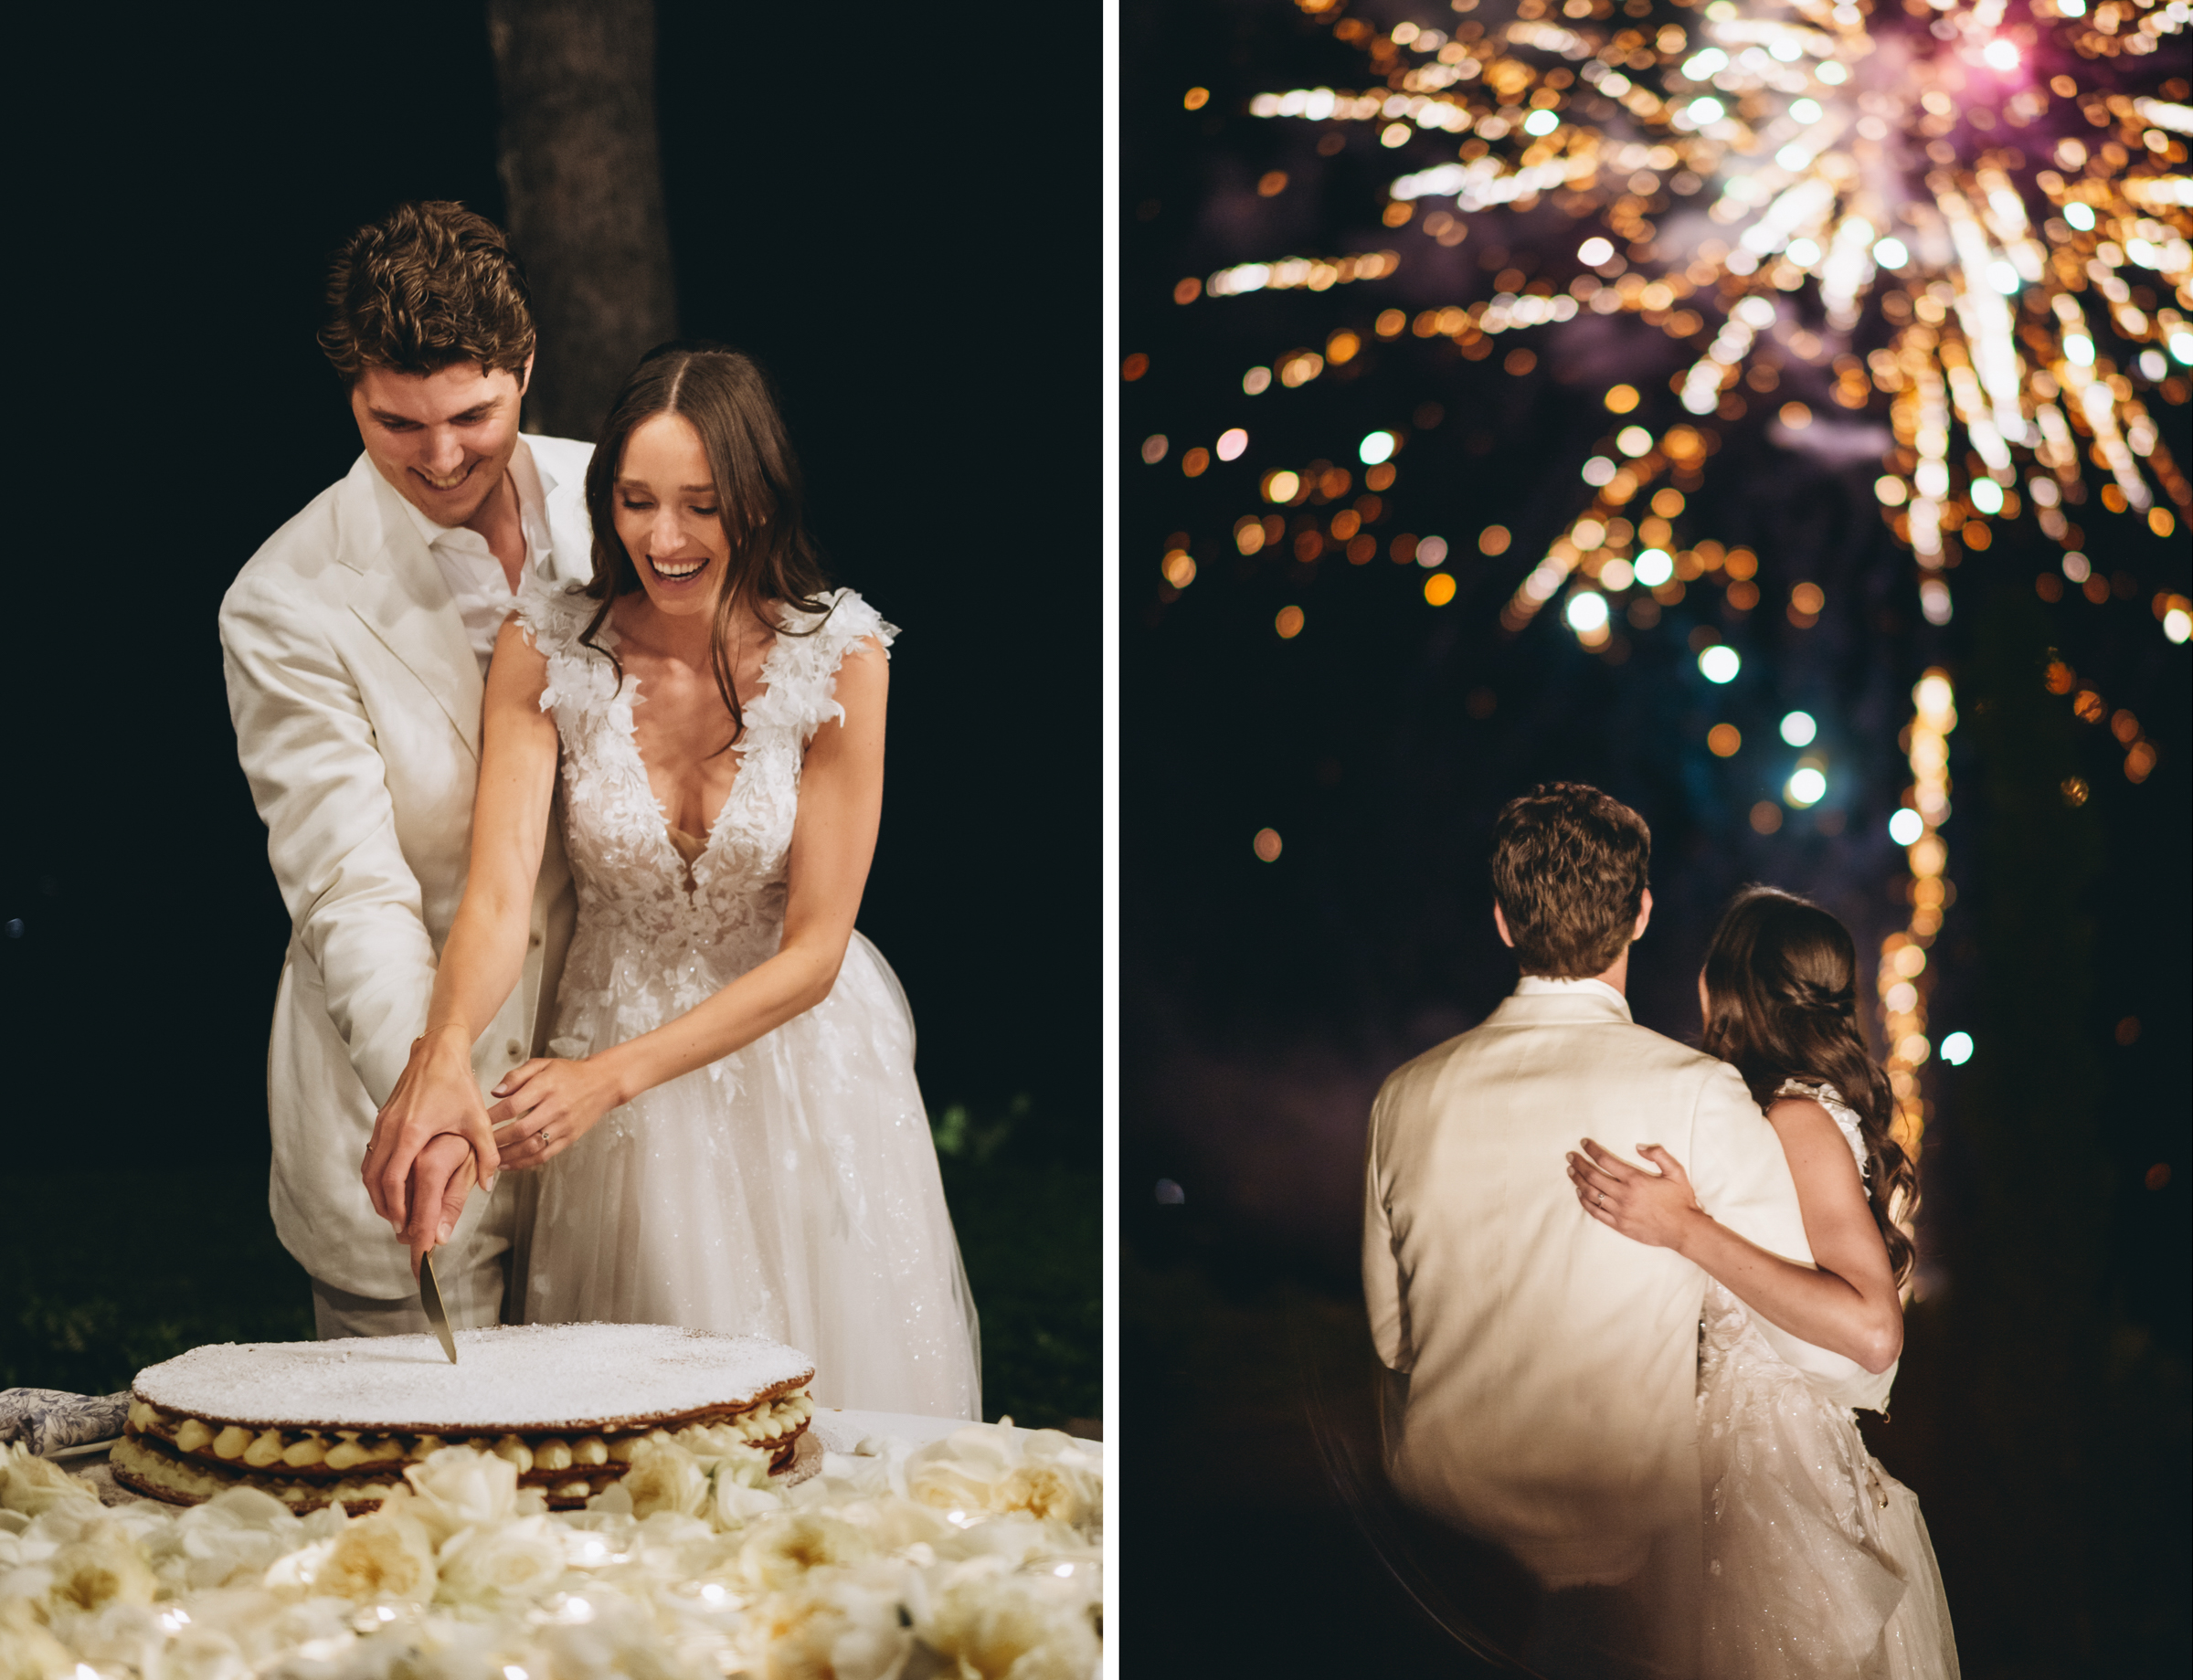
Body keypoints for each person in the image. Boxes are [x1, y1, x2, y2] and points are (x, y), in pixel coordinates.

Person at [362, 343, 981, 1421]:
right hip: (613, 1086)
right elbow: (500, 893)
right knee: (644, 1430)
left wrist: (610, 1077)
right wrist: (447, 1049)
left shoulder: (842, 654)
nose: (666, 538)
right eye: (637, 501)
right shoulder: (548, 646)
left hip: (803, 1073)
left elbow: (816, 952)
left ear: (756, 500)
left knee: (834, 1413)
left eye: (700, 504)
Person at [1361, 783, 1874, 1680]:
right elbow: (1829, 1354)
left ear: (1502, 920)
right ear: (1639, 914)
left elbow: (1393, 1339)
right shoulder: (1698, 1095)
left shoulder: (1403, 1097)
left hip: (1430, 1561)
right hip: (1614, 1569)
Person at [220, 201, 595, 1338]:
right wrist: (430, 1090)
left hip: (616, 1129)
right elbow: (349, 889)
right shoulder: (283, 600)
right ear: (352, 396)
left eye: (472, 416)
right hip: (404, 1136)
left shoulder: (622, 507)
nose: (440, 458)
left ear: (526, 368)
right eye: (398, 423)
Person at [1566, 887, 1960, 1678]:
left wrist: (1684, 1228)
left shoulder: (1798, 1119)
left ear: (1731, 985)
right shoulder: (1776, 1115)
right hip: (1740, 1459)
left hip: (1778, 1480)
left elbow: (1873, 1328)